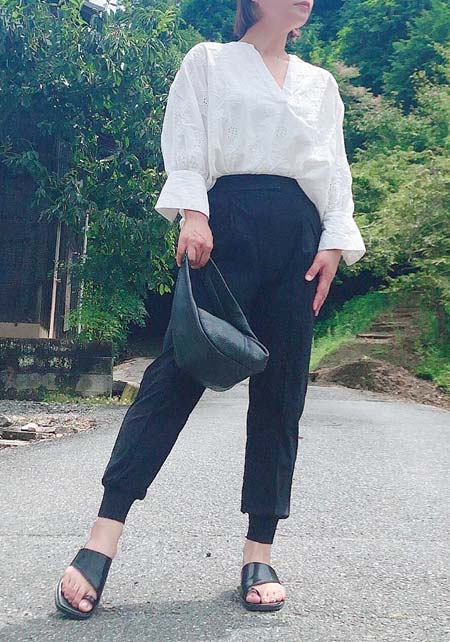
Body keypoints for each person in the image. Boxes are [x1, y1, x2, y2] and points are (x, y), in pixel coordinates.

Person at [54, 0, 366, 618]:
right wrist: (193, 214)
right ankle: (101, 539)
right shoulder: (210, 62)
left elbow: (335, 170)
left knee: (282, 392)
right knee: (175, 374)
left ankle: (259, 551)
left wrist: (334, 241)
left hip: (299, 241)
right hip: (225, 229)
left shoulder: (321, 84)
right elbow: (187, 141)